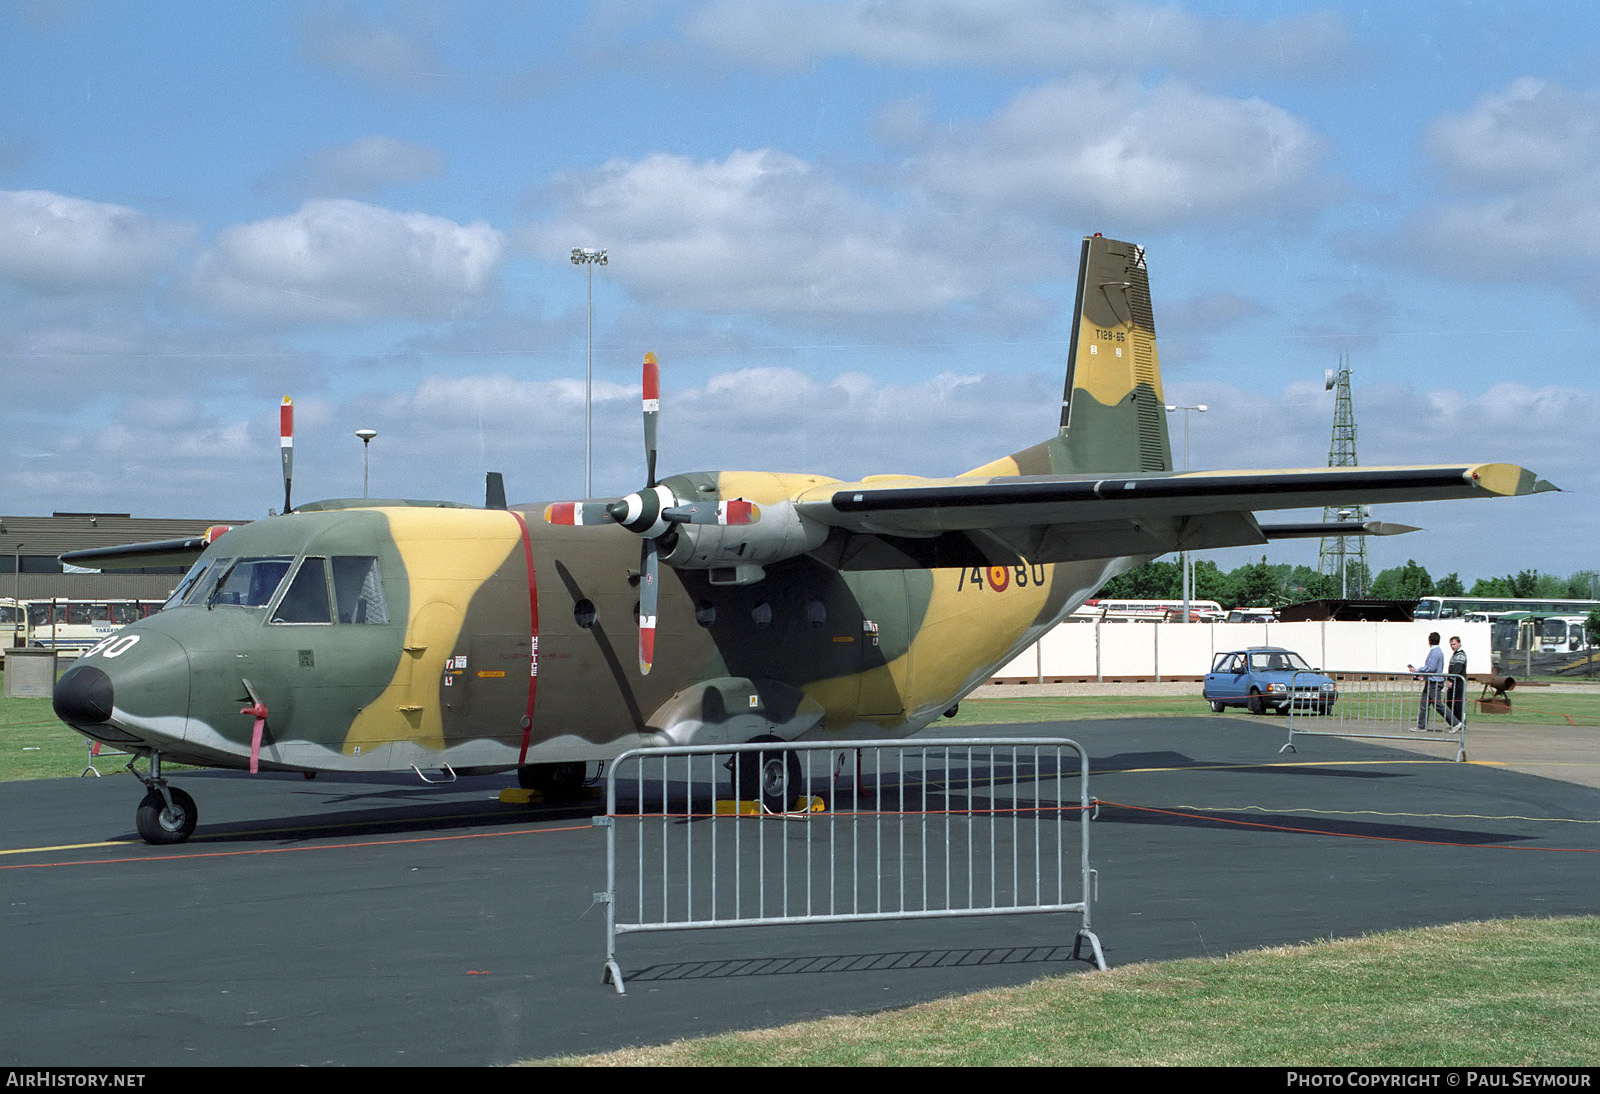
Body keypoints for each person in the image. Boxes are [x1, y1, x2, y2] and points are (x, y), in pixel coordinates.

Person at [1407, 631, 1456, 730]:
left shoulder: (1435, 652)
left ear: (1429, 641)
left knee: (1438, 705)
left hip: (1435, 682)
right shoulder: (1436, 651)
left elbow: (1431, 668)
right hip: (1431, 681)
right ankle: (1421, 726)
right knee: (1424, 704)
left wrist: (1417, 670)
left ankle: (1455, 722)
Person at [1447, 635, 1468, 728]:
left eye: (1454, 644)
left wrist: (1451, 680)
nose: (1452, 646)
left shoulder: (1461, 655)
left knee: (1458, 702)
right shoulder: (1455, 654)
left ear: (1459, 644)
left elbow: (1457, 669)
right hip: (1454, 681)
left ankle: (1461, 722)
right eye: (1451, 644)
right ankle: (1457, 721)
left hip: (1458, 682)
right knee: (1449, 701)